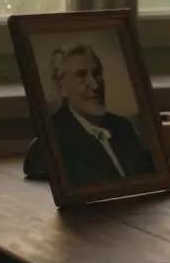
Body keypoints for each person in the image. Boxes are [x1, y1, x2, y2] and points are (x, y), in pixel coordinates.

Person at [48, 43, 155, 186]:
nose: (95, 85)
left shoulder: (122, 127)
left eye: (97, 73)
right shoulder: (55, 139)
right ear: (62, 89)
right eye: (81, 76)